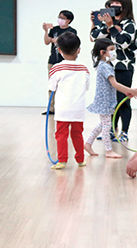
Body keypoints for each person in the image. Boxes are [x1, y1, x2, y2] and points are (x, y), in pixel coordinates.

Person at [84, 39, 137, 159]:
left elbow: (112, 86)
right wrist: (130, 90)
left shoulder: (106, 65)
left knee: (102, 124)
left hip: (107, 100)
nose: (114, 52)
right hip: (105, 101)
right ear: (102, 52)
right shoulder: (105, 66)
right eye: (111, 50)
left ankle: (88, 144)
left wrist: (127, 92)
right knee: (106, 126)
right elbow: (114, 84)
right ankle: (108, 150)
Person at [91, 0, 137, 143]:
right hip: (107, 67)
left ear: (125, 5)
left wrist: (111, 26)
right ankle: (111, 130)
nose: (113, 6)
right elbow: (94, 37)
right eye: (111, 3)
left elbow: (123, 42)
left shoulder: (129, 24)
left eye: (117, 2)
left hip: (123, 67)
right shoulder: (108, 23)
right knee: (111, 101)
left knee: (123, 100)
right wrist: (95, 23)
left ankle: (124, 132)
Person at [48, 32, 90, 170]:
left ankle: (62, 160)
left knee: (61, 134)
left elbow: (52, 87)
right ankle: (80, 159)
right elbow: (86, 87)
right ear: (79, 49)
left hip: (62, 109)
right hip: (78, 109)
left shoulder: (56, 67)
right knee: (77, 134)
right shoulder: (84, 68)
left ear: (59, 50)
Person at [42, 10, 76, 115]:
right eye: (59, 17)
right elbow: (47, 42)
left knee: (65, 86)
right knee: (52, 86)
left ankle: (64, 108)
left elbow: (63, 42)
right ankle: (51, 109)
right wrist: (46, 31)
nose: (60, 19)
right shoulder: (54, 29)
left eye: (63, 18)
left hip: (66, 62)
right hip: (53, 61)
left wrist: (54, 40)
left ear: (68, 20)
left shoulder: (72, 31)